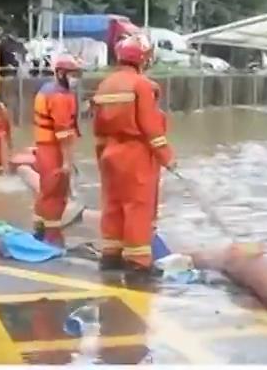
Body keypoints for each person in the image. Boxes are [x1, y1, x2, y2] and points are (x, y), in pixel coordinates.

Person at [91, 36, 176, 274]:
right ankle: (138, 264)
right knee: (137, 207)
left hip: (109, 153)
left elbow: (98, 128)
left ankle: (110, 257)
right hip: (135, 154)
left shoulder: (105, 85)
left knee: (113, 205)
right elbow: (151, 126)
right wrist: (167, 156)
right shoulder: (142, 85)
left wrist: (101, 157)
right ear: (143, 59)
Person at [31, 54, 82, 246]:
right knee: (56, 194)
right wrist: (68, 162)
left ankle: (39, 230)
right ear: (61, 73)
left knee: (46, 191)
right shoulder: (59, 97)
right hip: (54, 150)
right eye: (72, 74)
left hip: (44, 147)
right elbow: (63, 132)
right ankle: (52, 237)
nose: (75, 78)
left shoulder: (47, 90)